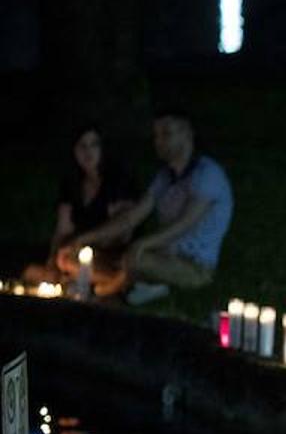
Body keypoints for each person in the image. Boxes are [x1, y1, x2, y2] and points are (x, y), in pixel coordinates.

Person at [64, 108, 234, 305]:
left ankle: (116, 288)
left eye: (166, 134)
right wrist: (83, 239)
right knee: (72, 258)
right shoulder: (165, 177)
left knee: (135, 259)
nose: (159, 142)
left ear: (187, 133)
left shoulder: (207, 175)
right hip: (158, 255)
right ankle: (136, 285)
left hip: (193, 265)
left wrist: (143, 245)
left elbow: (183, 225)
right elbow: (131, 218)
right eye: (156, 135)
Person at [23, 124, 138, 286]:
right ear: (74, 151)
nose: (88, 152)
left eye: (94, 145)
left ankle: (119, 282)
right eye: (82, 146)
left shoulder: (116, 180)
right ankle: (69, 279)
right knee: (34, 264)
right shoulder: (72, 183)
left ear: (102, 149)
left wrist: (83, 244)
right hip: (76, 247)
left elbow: (122, 233)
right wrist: (52, 258)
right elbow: (63, 228)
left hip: (109, 249)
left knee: (70, 261)